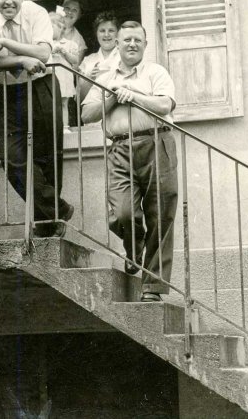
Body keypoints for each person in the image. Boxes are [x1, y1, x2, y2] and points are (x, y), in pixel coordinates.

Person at [81, 21, 178, 302]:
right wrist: (112, 97)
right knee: (122, 212)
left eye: (137, 40)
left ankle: (153, 288)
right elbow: (87, 114)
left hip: (156, 142)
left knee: (161, 214)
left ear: (145, 45)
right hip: (120, 147)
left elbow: (165, 105)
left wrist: (133, 96)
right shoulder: (106, 77)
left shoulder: (155, 72)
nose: (132, 44)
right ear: (117, 45)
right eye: (126, 40)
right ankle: (134, 248)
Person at [0, 0, 73, 237]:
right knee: (13, 160)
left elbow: (43, 53)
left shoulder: (36, 13)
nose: (8, 2)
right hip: (7, 93)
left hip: (41, 87)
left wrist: (6, 44)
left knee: (48, 158)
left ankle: (46, 226)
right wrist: (21, 60)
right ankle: (58, 211)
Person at [78, 11, 121, 99]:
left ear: (118, 34)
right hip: (93, 109)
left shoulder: (124, 57)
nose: (106, 34)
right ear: (96, 33)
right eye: (102, 31)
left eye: (111, 30)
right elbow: (78, 99)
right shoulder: (88, 60)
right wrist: (90, 79)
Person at [49, 11, 79, 130]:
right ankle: (51, 128)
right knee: (49, 103)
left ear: (61, 27)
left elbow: (75, 60)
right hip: (49, 77)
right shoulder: (45, 44)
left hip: (64, 78)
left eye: (50, 26)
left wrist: (63, 51)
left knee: (63, 103)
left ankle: (64, 127)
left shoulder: (70, 44)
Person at [61, 0, 87, 127]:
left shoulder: (79, 40)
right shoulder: (48, 26)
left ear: (79, 15)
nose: (69, 12)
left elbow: (76, 66)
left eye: (74, 10)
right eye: (67, 8)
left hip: (65, 81)